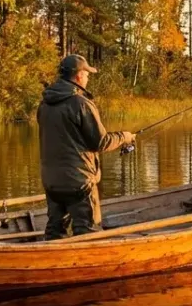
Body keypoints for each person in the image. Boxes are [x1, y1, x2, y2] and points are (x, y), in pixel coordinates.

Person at [37, 54, 135, 240]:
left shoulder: (44, 105)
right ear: (79, 75)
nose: (88, 77)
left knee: (54, 232)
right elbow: (101, 142)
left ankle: (52, 263)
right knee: (89, 234)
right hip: (79, 182)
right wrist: (125, 137)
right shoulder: (81, 104)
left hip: (51, 181)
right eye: (87, 73)